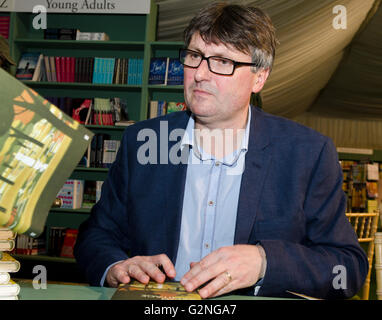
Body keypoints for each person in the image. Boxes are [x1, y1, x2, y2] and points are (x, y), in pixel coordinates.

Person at [74, 3, 368, 299]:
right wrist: (116, 266)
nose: (200, 74)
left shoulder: (308, 154)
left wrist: (265, 262)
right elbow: (95, 236)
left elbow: (346, 268)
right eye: (194, 56)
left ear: (259, 77)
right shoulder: (143, 141)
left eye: (222, 61)